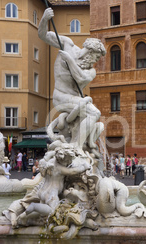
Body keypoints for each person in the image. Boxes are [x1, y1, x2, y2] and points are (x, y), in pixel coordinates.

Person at [38, 8, 106, 149]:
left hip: (76, 99)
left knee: (95, 117)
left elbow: (80, 79)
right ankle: (76, 146)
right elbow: (43, 35)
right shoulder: (67, 44)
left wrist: (69, 61)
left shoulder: (91, 71)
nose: (96, 61)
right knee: (95, 112)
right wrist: (45, 19)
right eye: (96, 57)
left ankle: (83, 143)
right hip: (61, 96)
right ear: (89, 51)